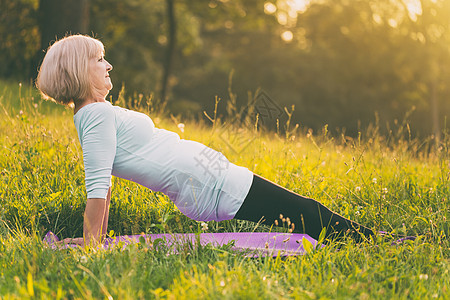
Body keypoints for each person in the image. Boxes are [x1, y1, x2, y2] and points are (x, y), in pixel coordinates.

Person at [36, 34, 375, 247]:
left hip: (209, 178)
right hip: (208, 184)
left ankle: (375, 241)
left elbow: (105, 183)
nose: (108, 65)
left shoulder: (97, 113)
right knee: (304, 212)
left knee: (303, 212)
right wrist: (93, 244)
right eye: (98, 59)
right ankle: (383, 244)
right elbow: (98, 186)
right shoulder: (94, 116)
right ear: (79, 70)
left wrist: (96, 239)